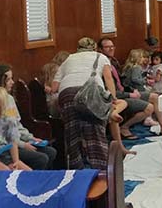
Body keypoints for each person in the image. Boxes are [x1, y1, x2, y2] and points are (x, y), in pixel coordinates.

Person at [51, 37, 120, 168]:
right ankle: (102, 168)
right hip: (91, 94)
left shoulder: (69, 58)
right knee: (95, 131)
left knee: (72, 133)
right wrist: (113, 99)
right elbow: (108, 78)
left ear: (78, 48)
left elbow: (54, 87)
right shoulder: (100, 57)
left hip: (67, 94)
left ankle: (76, 169)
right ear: (95, 48)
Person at [0, 63, 57, 170]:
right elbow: (3, 136)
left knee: (51, 151)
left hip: (18, 140)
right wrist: (23, 145)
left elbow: (17, 124)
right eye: (8, 79)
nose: (12, 82)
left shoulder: (10, 99)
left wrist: (30, 138)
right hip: (5, 146)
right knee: (41, 158)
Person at [97, 37, 156, 139]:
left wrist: (132, 90)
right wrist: (130, 94)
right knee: (149, 108)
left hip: (125, 92)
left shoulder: (114, 62)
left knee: (155, 97)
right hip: (117, 97)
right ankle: (124, 127)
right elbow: (111, 91)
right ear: (100, 49)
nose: (111, 49)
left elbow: (122, 83)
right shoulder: (102, 66)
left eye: (112, 46)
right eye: (107, 47)